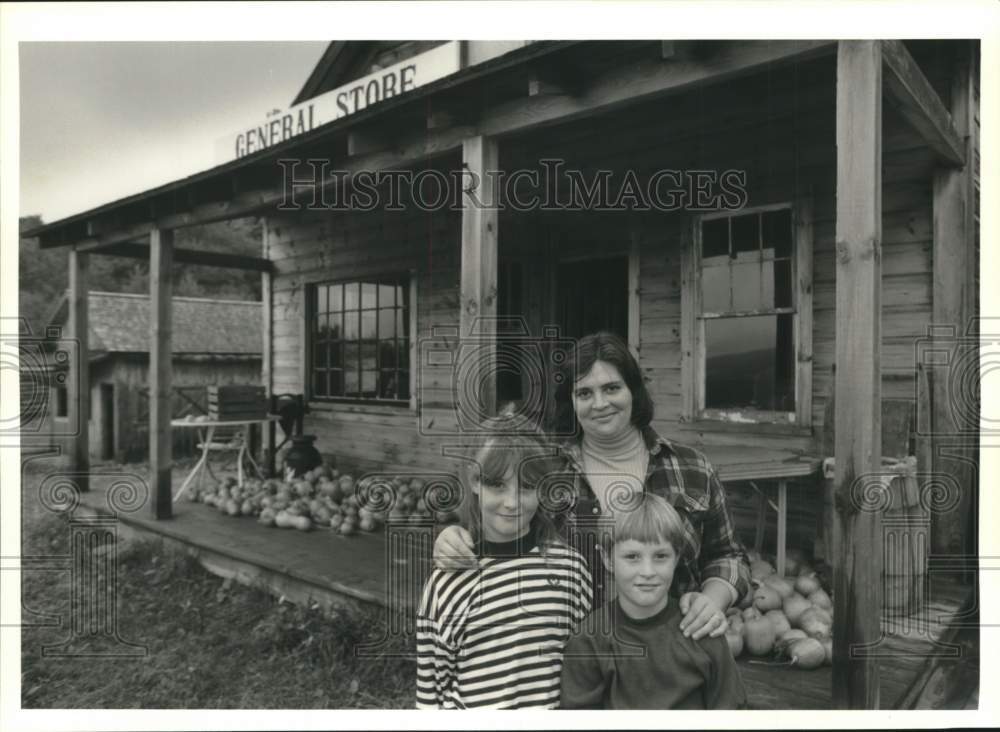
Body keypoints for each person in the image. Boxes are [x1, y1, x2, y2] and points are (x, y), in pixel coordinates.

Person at [434, 331, 750, 640]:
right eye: (584, 393)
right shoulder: (544, 472)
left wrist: (713, 598)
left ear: (633, 391)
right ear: (570, 402)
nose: (599, 403)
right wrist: (453, 538)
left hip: (672, 656)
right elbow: (498, 533)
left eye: (612, 388)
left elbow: (728, 555)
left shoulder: (692, 468)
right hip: (571, 662)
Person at [415, 413, 593, 709]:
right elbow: (431, 691)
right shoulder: (447, 583)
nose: (512, 502)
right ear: (474, 481)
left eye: (525, 486)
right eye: (497, 485)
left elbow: (584, 667)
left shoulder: (570, 569)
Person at [559, 492, 747, 709]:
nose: (647, 572)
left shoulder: (702, 631)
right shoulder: (588, 642)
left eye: (660, 556)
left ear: (676, 558)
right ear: (608, 559)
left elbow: (732, 712)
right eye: (632, 557)